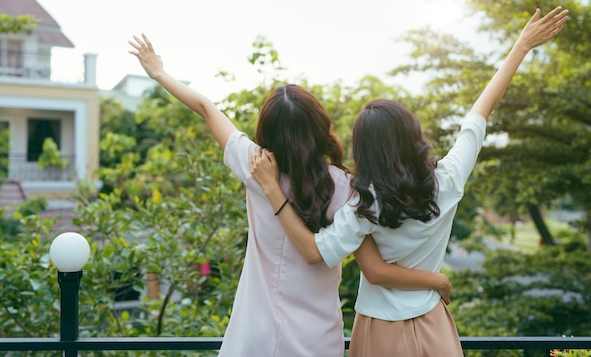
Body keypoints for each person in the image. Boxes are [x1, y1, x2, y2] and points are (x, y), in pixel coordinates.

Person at [249, 6, 569, 356]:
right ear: (411, 134)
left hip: (377, 329)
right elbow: (480, 112)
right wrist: (520, 47)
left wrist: (271, 189)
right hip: (432, 320)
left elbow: (314, 252)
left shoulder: (362, 205)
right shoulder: (447, 179)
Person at [128, 35, 451, 357]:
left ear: (266, 131)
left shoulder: (254, 165)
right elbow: (375, 265)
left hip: (254, 333)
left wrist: (159, 73)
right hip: (317, 338)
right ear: (320, 127)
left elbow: (206, 108)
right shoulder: (346, 188)